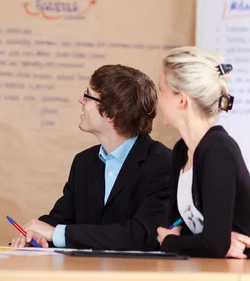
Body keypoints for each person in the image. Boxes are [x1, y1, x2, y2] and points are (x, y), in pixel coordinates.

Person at [10, 64, 171, 250]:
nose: (80, 100)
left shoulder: (162, 164)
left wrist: (55, 233)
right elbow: (60, 219)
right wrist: (34, 235)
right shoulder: (84, 162)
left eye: (87, 95)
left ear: (111, 114)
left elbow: (141, 235)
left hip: (135, 276)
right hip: (82, 274)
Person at [156, 46, 250, 258]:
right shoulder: (181, 150)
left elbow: (213, 244)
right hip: (209, 270)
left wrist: (170, 242)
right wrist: (179, 238)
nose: (158, 100)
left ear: (181, 100)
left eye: (161, 91)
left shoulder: (219, 152)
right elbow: (174, 225)